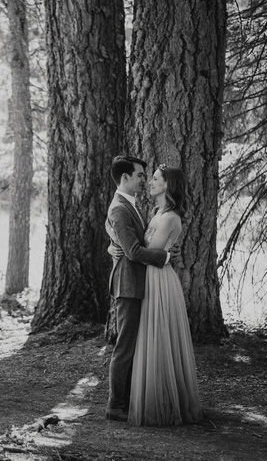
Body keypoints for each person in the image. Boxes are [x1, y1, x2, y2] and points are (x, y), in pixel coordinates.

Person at [127, 164, 203, 426]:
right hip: (152, 274)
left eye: (156, 179)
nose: (150, 182)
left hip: (158, 278)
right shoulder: (157, 211)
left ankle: (163, 402)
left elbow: (152, 252)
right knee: (151, 334)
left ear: (168, 184)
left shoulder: (170, 217)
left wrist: (126, 246)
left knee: (158, 335)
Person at [104, 156, 171, 422]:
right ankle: (115, 406)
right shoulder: (120, 209)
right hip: (128, 284)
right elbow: (131, 251)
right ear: (125, 178)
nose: (144, 179)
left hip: (135, 282)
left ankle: (129, 400)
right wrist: (164, 258)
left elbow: (124, 243)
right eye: (141, 175)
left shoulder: (127, 205)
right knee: (125, 347)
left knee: (132, 344)